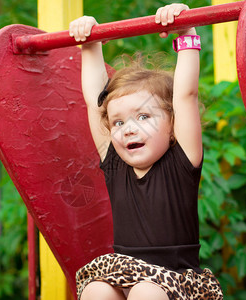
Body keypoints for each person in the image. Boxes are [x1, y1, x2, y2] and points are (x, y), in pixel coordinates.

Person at [69, 3, 223, 300]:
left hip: (176, 282)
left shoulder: (181, 162)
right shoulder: (114, 161)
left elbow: (186, 95)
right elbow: (94, 102)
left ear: (172, 122)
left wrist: (186, 32)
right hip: (125, 272)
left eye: (143, 117)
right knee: (96, 290)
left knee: (146, 293)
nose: (128, 128)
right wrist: (90, 44)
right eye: (119, 121)